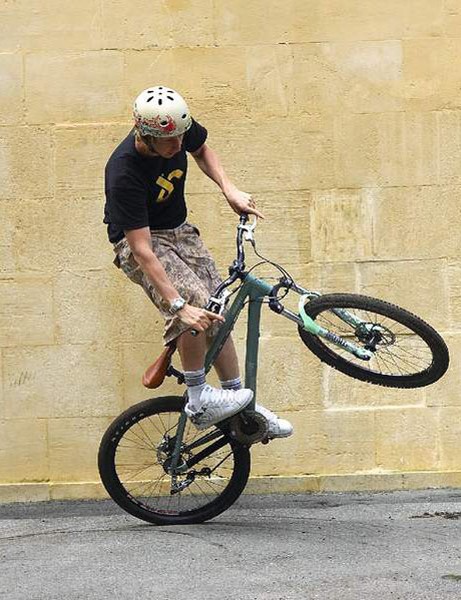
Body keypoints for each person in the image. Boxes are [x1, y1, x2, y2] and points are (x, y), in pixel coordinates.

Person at [103, 85, 293, 438]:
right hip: (140, 243)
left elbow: (201, 149)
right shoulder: (123, 172)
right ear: (145, 133)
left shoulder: (175, 126)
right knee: (193, 303)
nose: (178, 145)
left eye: (180, 135)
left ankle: (240, 405)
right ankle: (199, 398)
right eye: (170, 141)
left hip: (180, 230)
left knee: (215, 310)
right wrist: (177, 305)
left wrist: (229, 189)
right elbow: (142, 250)